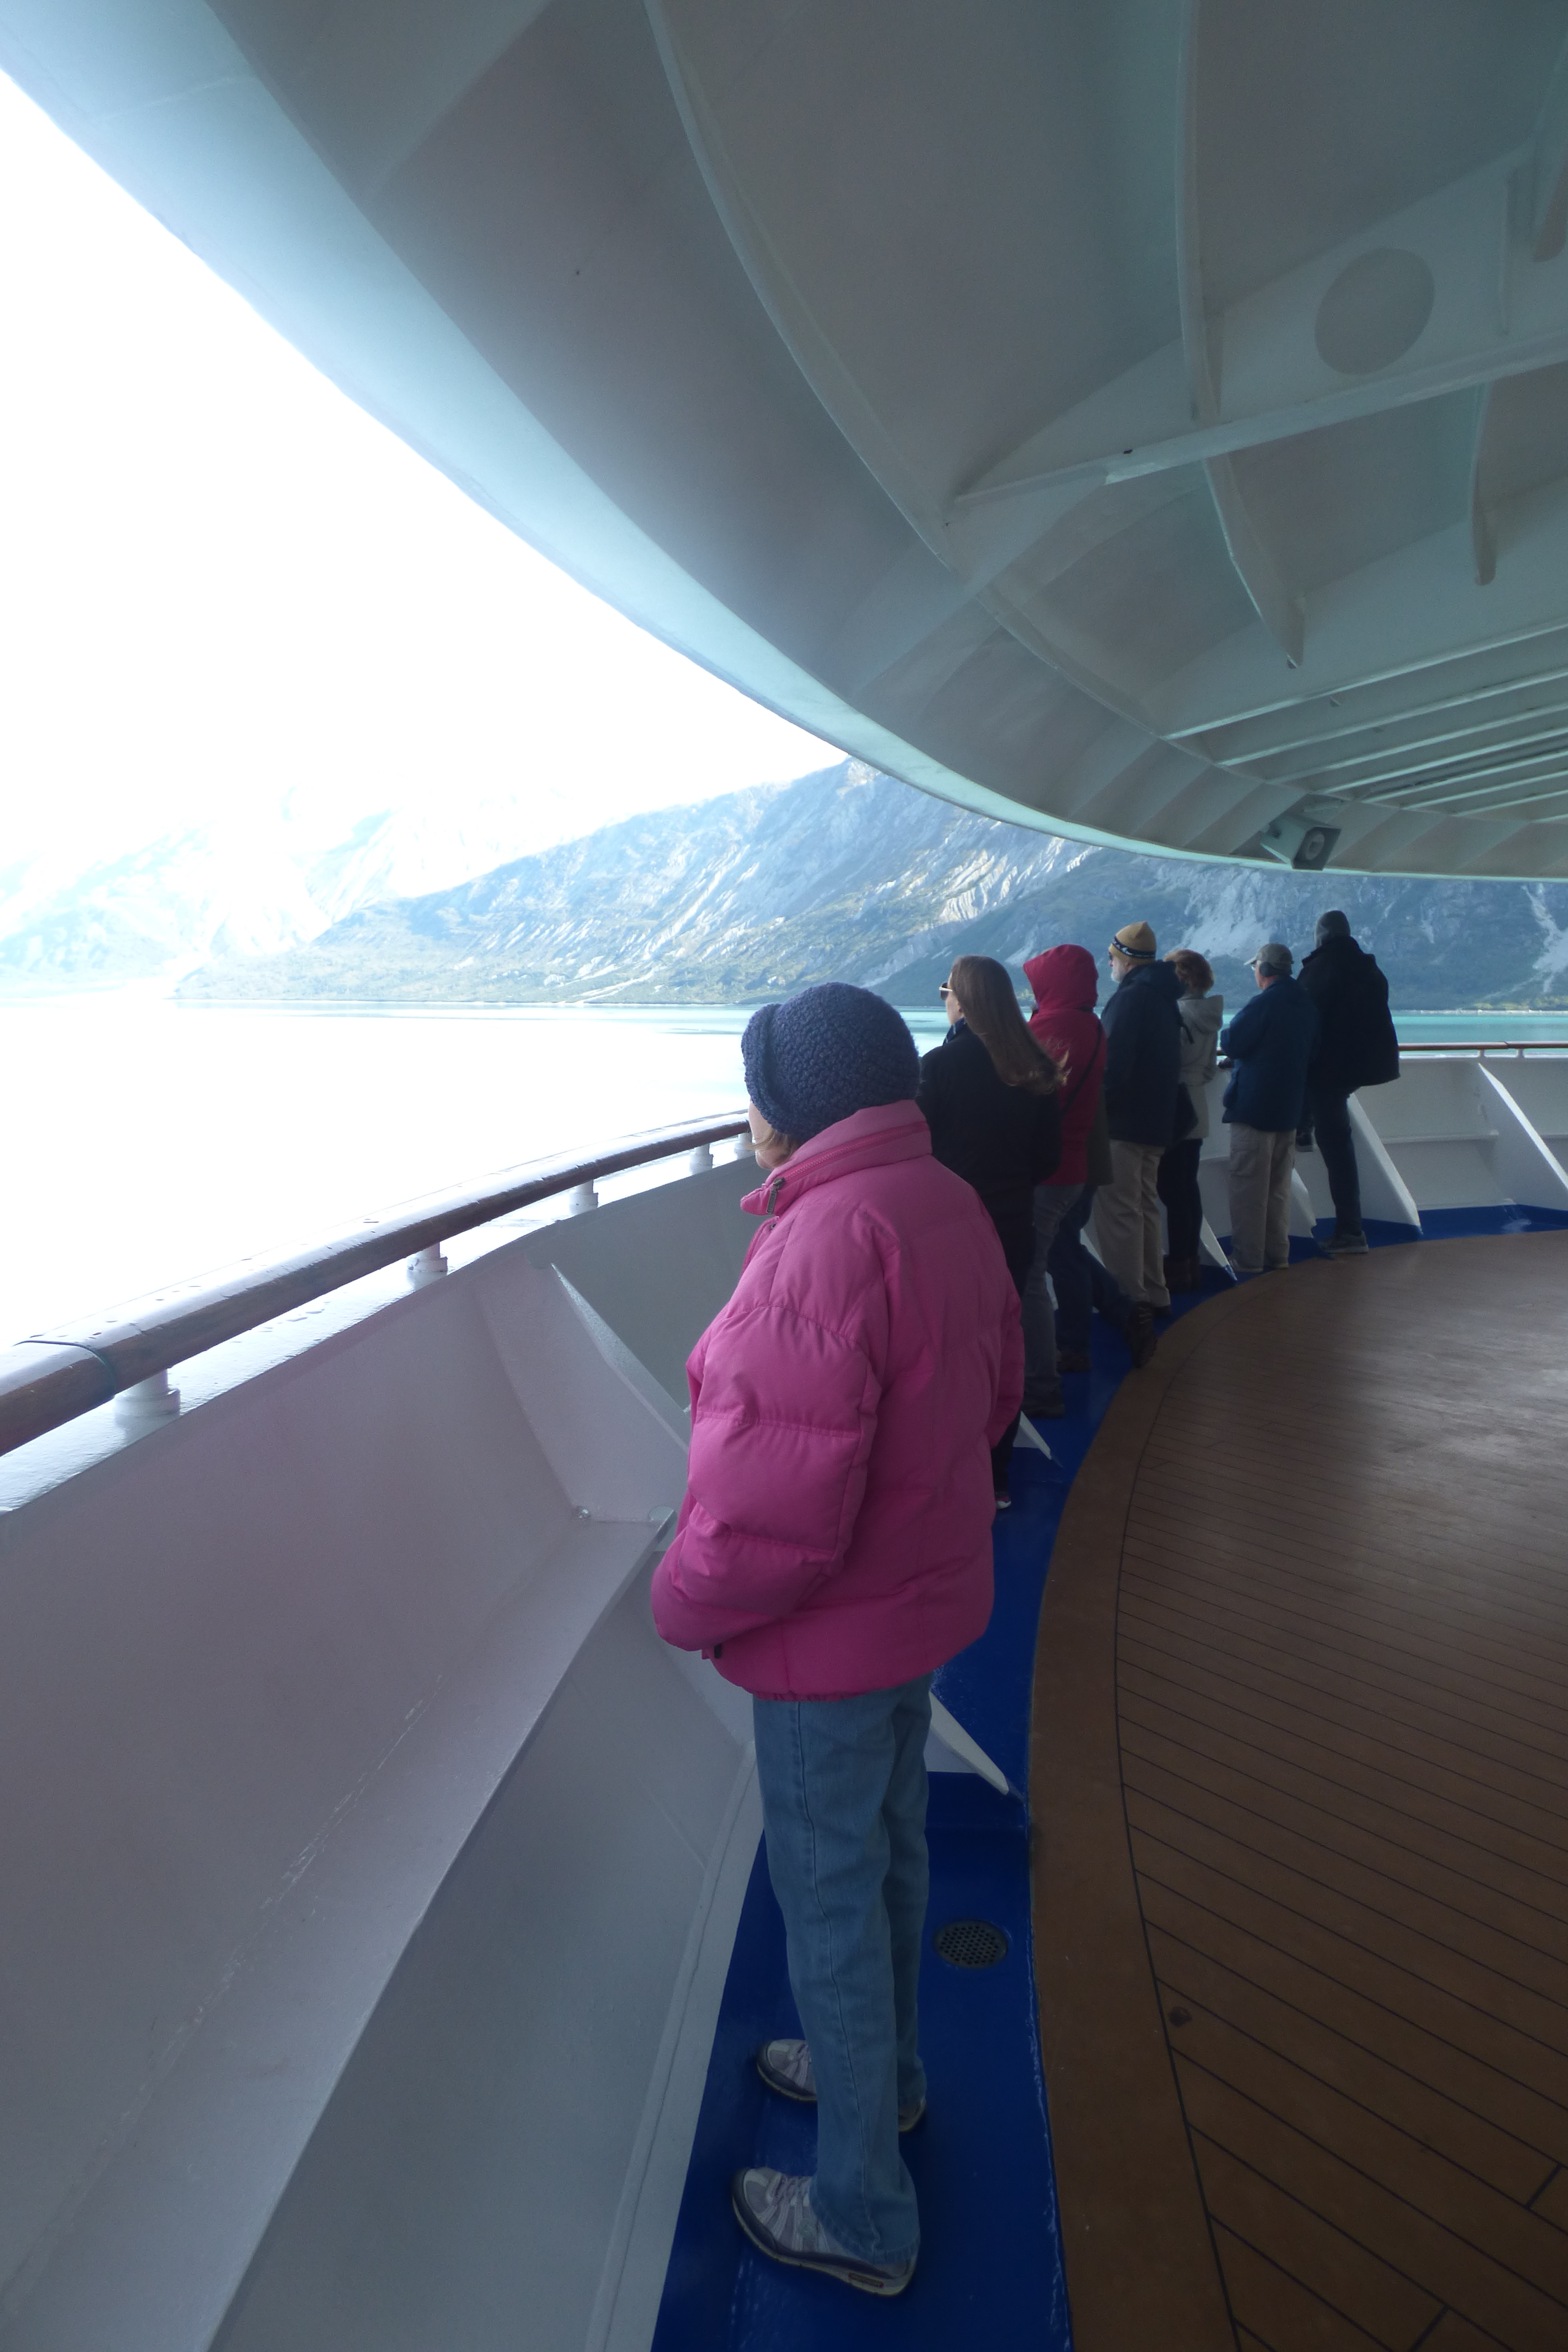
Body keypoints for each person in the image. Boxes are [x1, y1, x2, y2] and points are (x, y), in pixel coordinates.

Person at [650, 981, 1020, 2298]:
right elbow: (997, 1394)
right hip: (920, 1609)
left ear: (798, 1106)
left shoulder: (818, 1243)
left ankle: (865, 2214)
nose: (749, 1108)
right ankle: (890, 2077)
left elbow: (766, 1517)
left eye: (758, 1087)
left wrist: (679, 1603)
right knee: (893, 1854)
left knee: (829, 1907)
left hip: (830, 1649)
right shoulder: (942, 1197)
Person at [917, 955, 1061, 1501]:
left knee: (950, 1351)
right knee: (1003, 1347)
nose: (946, 1001)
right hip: (1013, 1224)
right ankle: (996, 1476)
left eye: (947, 992)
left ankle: (953, 1475)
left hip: (951, 1231)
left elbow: (916, 1148)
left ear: (962, 1000)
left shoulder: (940, 1066)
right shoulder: (1036, 1067)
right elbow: (1047, 1159)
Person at [1019, 944, 1102, 1411]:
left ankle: (1041, 1384)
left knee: (1032, 1276)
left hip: (1047, 1171)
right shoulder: (1090, 1023)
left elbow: (1018, 1085)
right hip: (1073, 1166)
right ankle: (1076, 1346)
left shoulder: (1053, 1027)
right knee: (1060, 1258)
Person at [1094, 921, 1185, 1313]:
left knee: (1121, 1213)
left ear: (1126, 960)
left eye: (1111, 957)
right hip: (1157, 1123)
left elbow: (1111, 1068)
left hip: (1124, 1125)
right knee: (1146, 1208)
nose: (1109, 964)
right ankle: (1155, 1291)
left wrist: (1092, 1109)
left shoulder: (1130, 999)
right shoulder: (1165, 998)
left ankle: (1131, 1302)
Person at [1298, 910, 1400, 1256]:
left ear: (1322, 936)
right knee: (1338, 1141)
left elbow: (1305, 1022)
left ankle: (1350, 1231)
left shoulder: (1321, 968)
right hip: (1364, 1068)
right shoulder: (1369, 968)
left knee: (1338, 1149)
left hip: (1330, 1071)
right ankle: (1304, 1126)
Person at [1220, 943, 1320, 1276]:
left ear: (1263, 970)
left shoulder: (1264, 1003)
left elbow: (1232, 1042)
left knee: (1248, 1189)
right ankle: (1278, 1255)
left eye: (1255, 968)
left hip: (1255, 1109)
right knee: (1278, 1189)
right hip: (1290, 1110)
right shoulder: (1305, 1003)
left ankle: (1248, 1259)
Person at [1158, 948, 1223, 1294]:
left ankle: (1176, 1268)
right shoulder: (1211, 1015)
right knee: (1187, 1190)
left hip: (1174, 1111)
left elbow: (1165, 1062)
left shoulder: (1177, 1014)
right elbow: (1210, 1069)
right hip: (1197, 1109)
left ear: (1180, 977)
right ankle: (1190, 1264)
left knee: (1171, 1192)